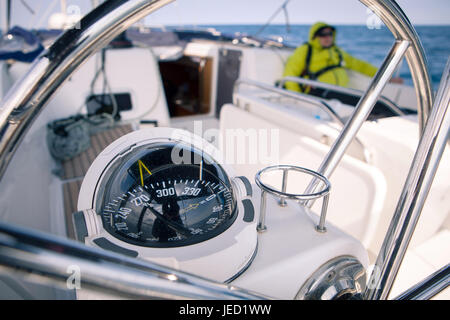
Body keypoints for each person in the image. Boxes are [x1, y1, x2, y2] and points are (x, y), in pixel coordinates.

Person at [283, 22, 403, 95]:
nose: (327, 37)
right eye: (323, 34)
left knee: (375, 104)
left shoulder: (337, 51)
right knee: (372, 108)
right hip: (319, 92)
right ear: (315, 36)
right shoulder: (306, 49)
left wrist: (388, 77)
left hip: (341, 91)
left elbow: (360, 66)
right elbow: (290, 73)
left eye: (330, 34)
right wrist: (298, 98)